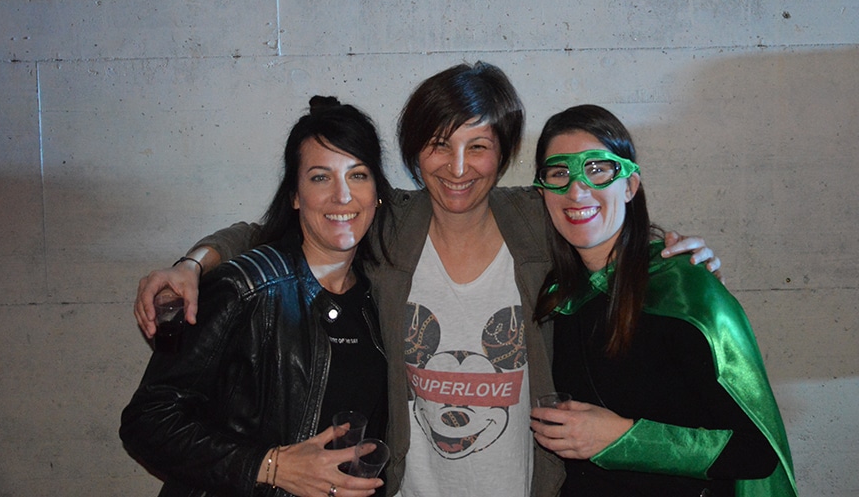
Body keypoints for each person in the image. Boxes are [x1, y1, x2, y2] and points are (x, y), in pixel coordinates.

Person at [131, 62, 721, 497]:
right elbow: (276, 228)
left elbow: (594, 215)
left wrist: (668, 250)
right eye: (439, 145)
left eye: (478, 146)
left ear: (503, 154)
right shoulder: (390, 224)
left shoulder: (534, 223)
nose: (458, 168)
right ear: (415, 154)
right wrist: (193, 263)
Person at [120, 97, 393, 497]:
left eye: (358, 175)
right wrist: (271, 466)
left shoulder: (375, 298)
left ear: (378, 192)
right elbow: (147, 420)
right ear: (295, 195)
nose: (342, 196)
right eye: (320, 177)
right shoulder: (245, 289)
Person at [528, 105, 797, 497]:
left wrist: (623, 437)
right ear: (542, 192)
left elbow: (756, 451)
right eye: (559, 173)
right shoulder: (557, 296)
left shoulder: (683, 290)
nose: (576, 189)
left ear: (630, 186)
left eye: (598, 169)